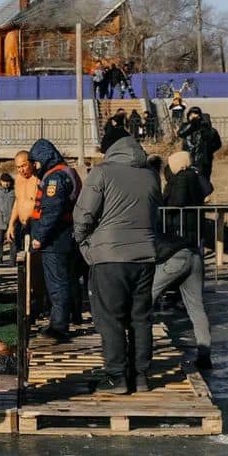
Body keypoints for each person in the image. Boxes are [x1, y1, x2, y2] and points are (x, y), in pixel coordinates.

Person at [73, 133, 158, 393]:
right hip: (145, 255)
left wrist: (83, 240)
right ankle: (140, 376)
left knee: (110, 319)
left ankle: (116, 377)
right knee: (140, 318)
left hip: (110, 256)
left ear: (109, 150)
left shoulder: (102, 172)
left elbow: (84, 213)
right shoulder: (150, 175)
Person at [28, 139, 82, 341]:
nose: (35, 167)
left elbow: (52, 211)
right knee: (66, 281)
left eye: (36, 162)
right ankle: (69, 319)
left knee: (57, 283)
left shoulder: (55, 178)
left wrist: (39, 237)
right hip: (64, 237)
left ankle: (59, 327)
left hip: (55, 239)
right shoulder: (65, 172)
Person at [151, 233, 213, 371]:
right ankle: (205, 358)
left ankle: (140, 355)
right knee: (197, 309)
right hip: (195, 255)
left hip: (174, 259)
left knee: (143, 304)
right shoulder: (155, 233)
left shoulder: (135, 239)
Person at [163, 150, 206, 241]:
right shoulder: (193, 174)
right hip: (193, 220)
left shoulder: (183, 177)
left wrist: (167, 209)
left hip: (183, 221)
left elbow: (180, 199)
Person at [177, 106, 222, 180]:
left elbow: (217, 143)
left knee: (203, 183)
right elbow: (181, 133)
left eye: (195, 114)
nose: (193, 116)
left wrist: (208, 151)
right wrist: (192, 124)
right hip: (188, 159)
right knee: (189, 182)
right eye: (191, 115)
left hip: (203, 161)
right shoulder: (186, 126)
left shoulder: (205, 128)